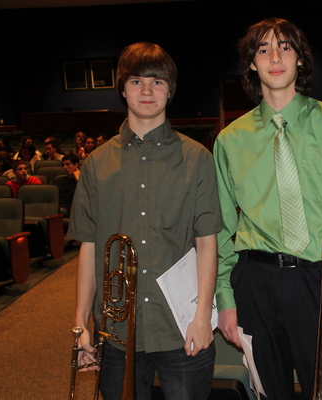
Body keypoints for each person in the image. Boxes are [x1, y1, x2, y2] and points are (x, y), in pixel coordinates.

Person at [214, 18, 322, 400]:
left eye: (285, 47)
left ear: (300, 60)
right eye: (263, 49)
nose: (274, 57)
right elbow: (221, 231)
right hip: (255, 283)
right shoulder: (230, 140)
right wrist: (225, 301)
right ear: (251, 63)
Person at [69, 42, 220, 400]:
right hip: (116, 329)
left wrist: (202, 317)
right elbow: (88, 251)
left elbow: (207, 244)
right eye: (137, 81)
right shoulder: (95, 164)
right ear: (122, 90)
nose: (148, 91)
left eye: (157, 81)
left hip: (180, 326)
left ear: (170, 90)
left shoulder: (197, 159)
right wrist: (79, 324)